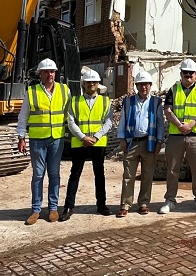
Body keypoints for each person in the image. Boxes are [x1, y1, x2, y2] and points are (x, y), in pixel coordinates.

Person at [17, 58, 71, 225]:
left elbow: (70, 115)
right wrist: (21, 137)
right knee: (38, 175)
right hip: (37, 140)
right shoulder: (32, 92)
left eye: (52, 71)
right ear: (40, 74)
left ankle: (53, 208)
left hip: (56, 138)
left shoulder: (64, 90)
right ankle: (36, 210)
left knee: (54, 174)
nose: (50, 74)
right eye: (47, 71)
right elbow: (23, 116)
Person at [60, 69, 113, 222]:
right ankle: (68, 207)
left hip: (98, 142)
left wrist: (96, 137)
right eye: (89, 82)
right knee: (75, 174)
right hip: (80, 143)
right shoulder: (75, 101)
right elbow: (70, 121)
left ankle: (102, 205)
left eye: (94, 82)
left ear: (98, 84)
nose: (91, 84)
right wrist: (83, 137)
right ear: (83, 84)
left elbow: (108, 122)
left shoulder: (105, 101)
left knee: (99, 175)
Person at [161, 59, 196, 214]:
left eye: (191, 73)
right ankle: (170, 200)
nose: (188, 75)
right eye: (185, 73)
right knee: (172, 170)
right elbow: (168, 110)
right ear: (181, 74)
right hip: (176, 135)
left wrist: (191, 124)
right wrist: (179, 125)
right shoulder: (173, 89)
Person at [115, 70, 165, 217]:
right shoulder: (129, 101)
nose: (144, 87)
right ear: (137, 86)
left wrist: (159, 142)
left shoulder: (156, 102)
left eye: (147, 85)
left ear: (150, 86)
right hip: (131, 142)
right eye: (141, 84)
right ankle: (125, 204)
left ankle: (143, 203)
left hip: (149, 142)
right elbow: (123, 120)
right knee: (128, 175)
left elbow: (160, 123)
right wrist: (122, 139)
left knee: (147, 175)